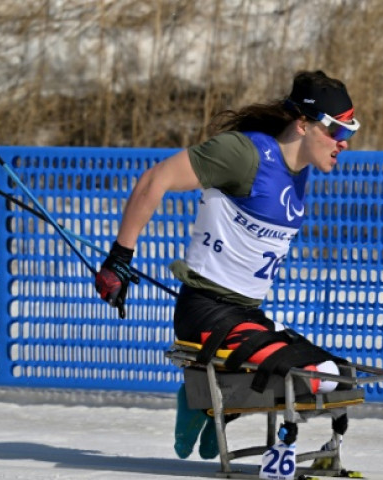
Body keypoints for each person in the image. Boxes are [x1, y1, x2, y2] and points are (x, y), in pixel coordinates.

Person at [94, 70, 360, 459]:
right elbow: (156, 178)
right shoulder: (244, 154)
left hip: (246, 315)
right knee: (322, 379)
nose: (344, 143)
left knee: (341, 375)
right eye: (335, 131)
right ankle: (202, 399)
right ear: (303, 125)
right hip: (206, 314)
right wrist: (120, 257)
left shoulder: (298, 173)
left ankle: (212, 402)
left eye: (348, 131)